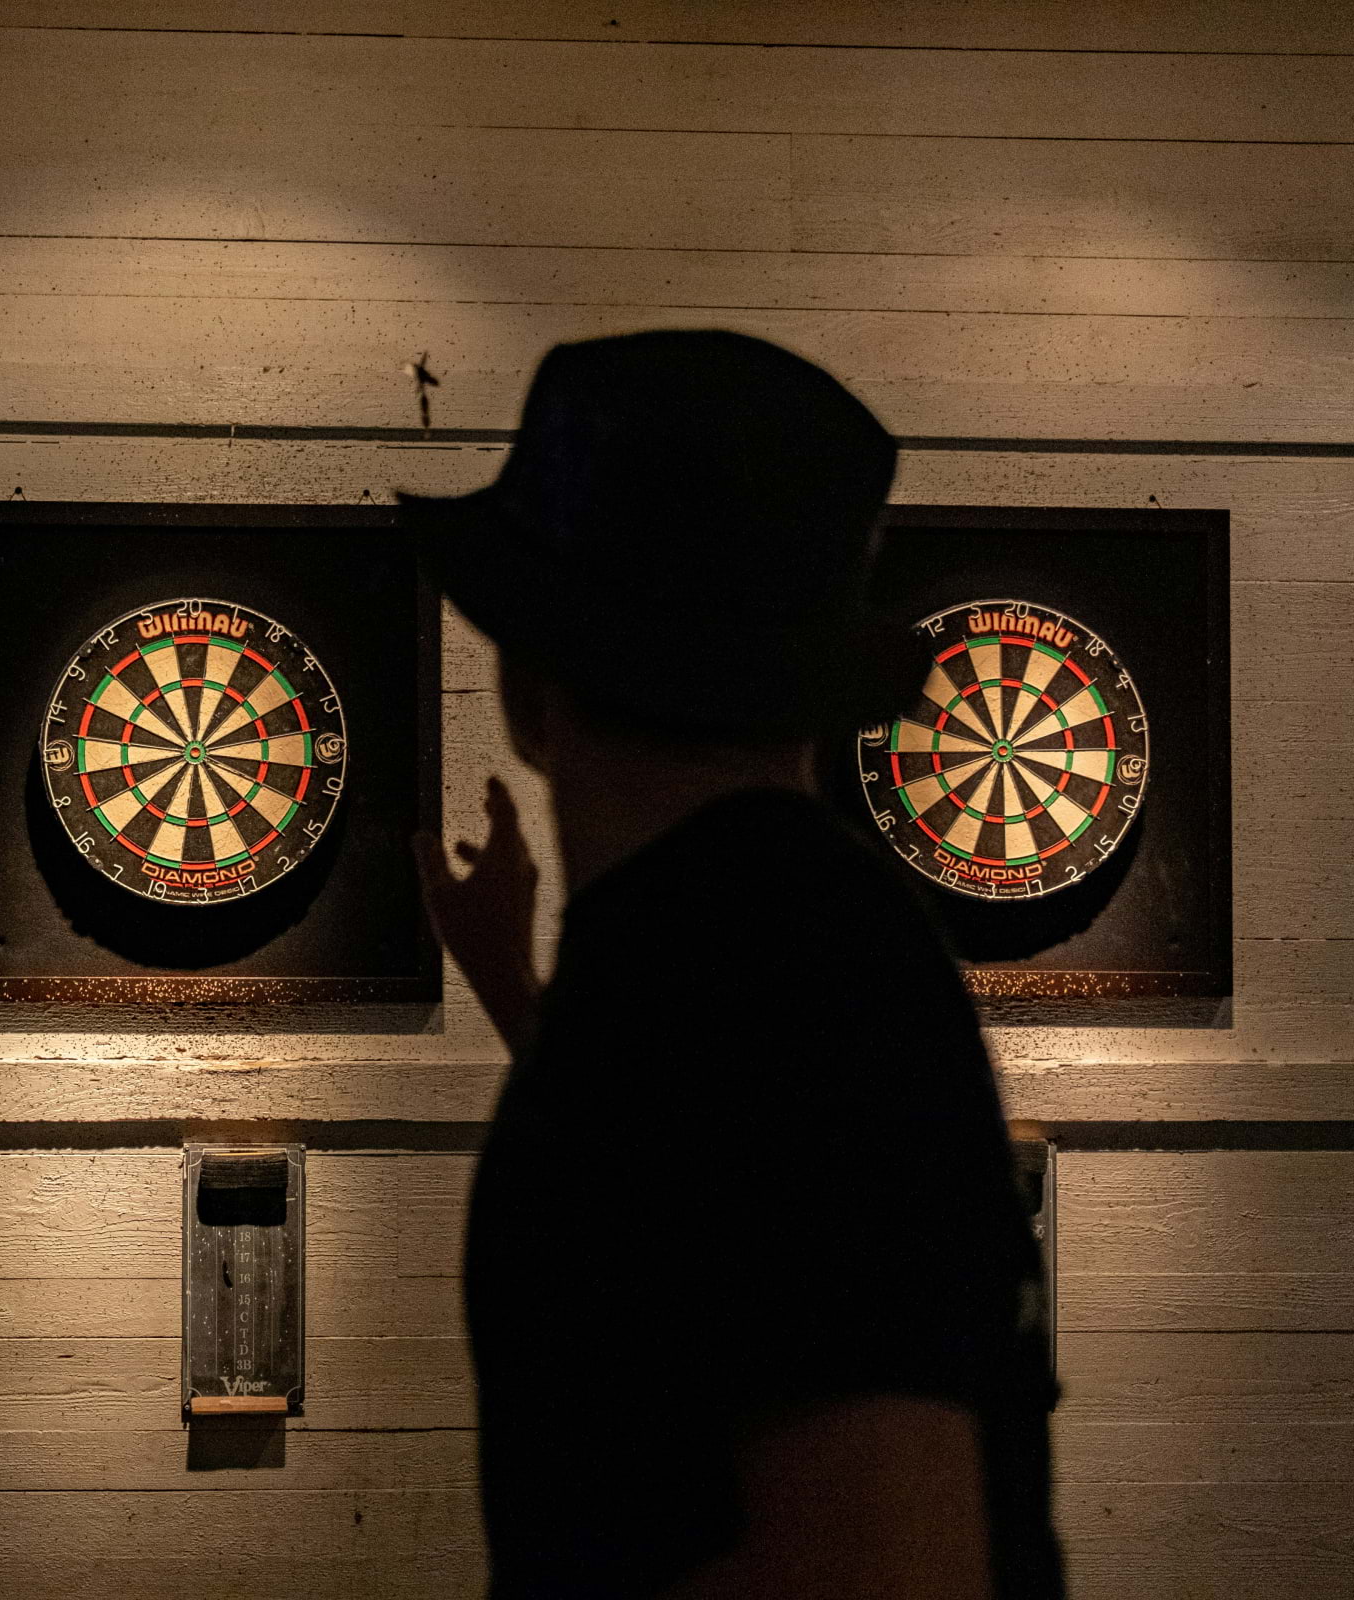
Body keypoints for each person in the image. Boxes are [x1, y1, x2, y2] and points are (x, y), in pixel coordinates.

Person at [404, 331, 1064, 1599]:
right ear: (808, 692)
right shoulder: (764, 953)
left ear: (525, 686)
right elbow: (693, 1265)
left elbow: (881, 1568)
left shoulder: (765, 973)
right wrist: (520, 1003)